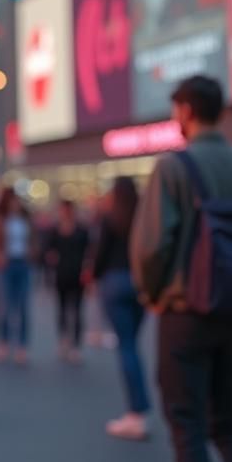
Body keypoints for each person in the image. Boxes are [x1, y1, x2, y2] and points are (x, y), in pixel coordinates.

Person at [131, 76, 232, 462]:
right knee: (230, 425)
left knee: (188, 427)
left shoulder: (174, 168)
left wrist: (153, 295)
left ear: (184, 110)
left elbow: (152, 245)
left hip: (185, 313)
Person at [94, 176, 150, 441]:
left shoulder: (110, 218)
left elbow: (100, 255)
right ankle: (138, 410)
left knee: (126, 346)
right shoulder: (144, 217)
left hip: (115, 283)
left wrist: (93, 277)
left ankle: (136, 412)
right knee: (133, 345)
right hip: (139, 284)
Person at [0, 189, 34, 364]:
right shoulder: (0, 221)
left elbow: (35, 241)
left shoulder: (26, 221)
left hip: (23, 264)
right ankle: (3, 342)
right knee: (5, 306)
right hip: (6, 266)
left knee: (23, 306)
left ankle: (22, 345)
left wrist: (32, 252)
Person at [46, 199, 90, 364]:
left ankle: (76, 345)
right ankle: (63, 340)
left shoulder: (81, 230)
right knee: (62, 308)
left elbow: (88, 252)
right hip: (61, 274)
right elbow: (49, 251)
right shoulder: (55, 230)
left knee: (78, 310)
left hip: (77, 274)